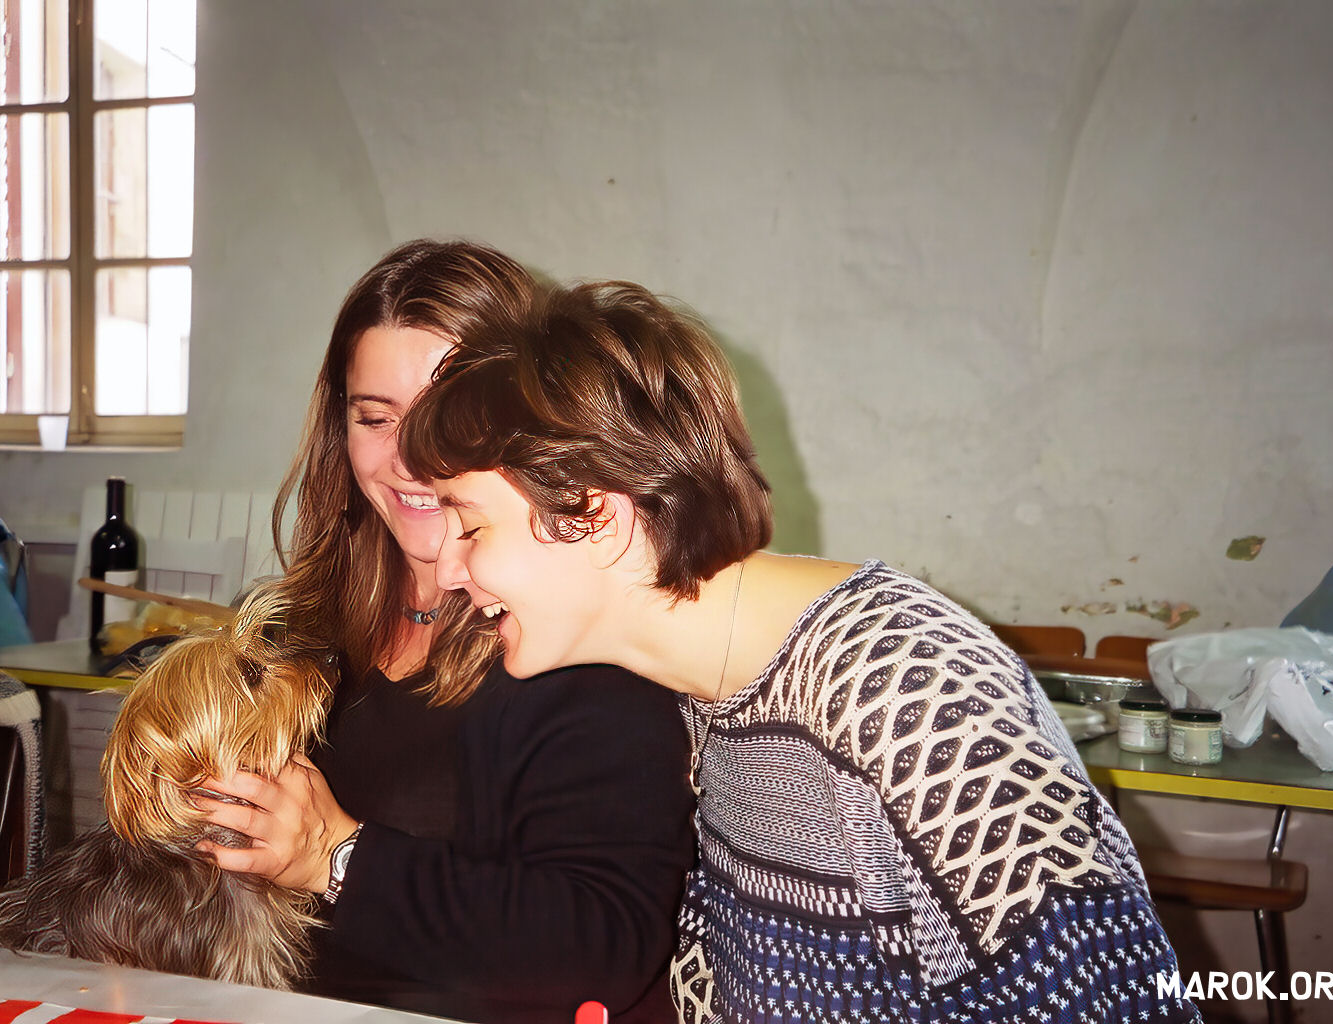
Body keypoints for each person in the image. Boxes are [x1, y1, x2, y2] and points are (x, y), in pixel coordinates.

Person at [397, 281, 1202, 1024]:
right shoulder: (704, 700)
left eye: (470, 525)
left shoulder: (910, 692)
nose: (447, 567)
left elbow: (1126, 1005)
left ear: (596, 518)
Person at [194, 242, 694, 1023]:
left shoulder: (575, 643)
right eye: (375, 417)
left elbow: (601, 948)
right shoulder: (288, 627)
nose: (408, 457)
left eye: (445, 414)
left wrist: (336, 856)